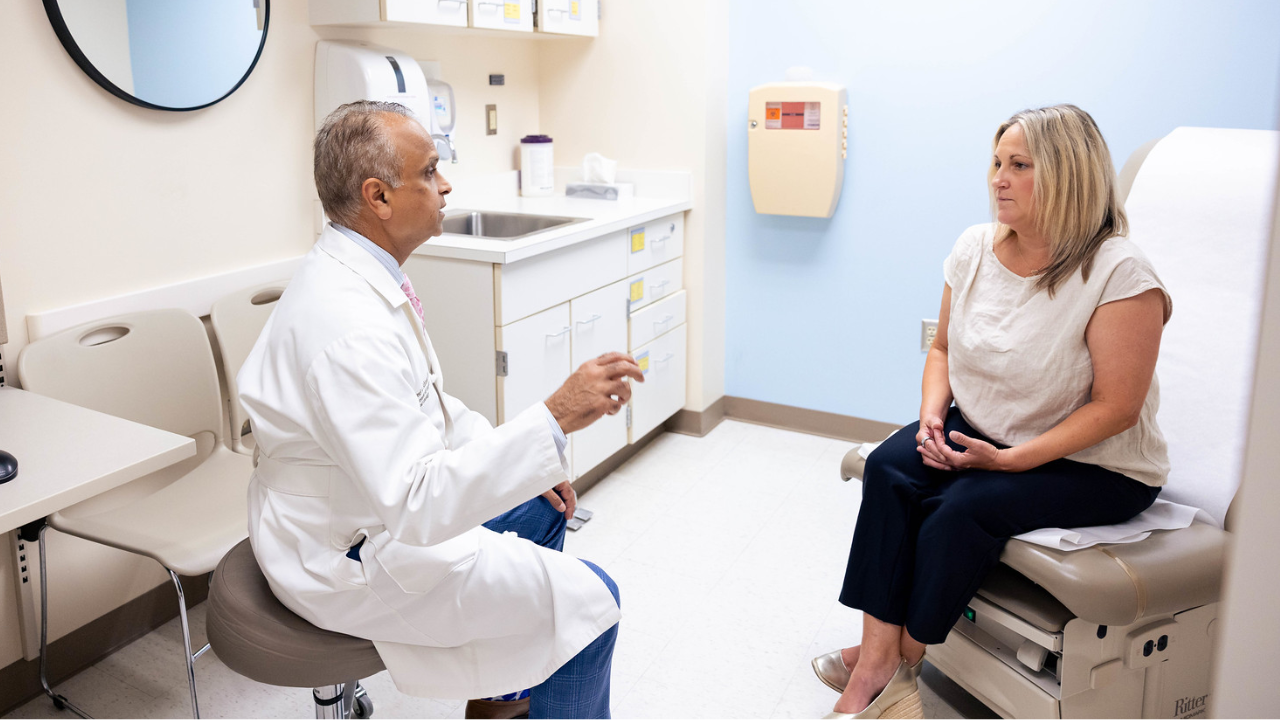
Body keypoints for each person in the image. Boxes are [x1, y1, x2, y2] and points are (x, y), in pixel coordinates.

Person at [238, 100, 643, 720]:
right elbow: (417, 505)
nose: (445, 183)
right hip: (345, 552)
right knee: (591, 607)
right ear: (378, 197)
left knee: (540, 509)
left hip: (362, 509)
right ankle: (524, 676)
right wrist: (555, 415)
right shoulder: (347, 325)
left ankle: (502, 697)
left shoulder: (365, 274)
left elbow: (430, 405)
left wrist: (532, 462)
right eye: (429, 171)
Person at [812, 104, 1172, 719]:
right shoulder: (975, 247)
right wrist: (932, 415)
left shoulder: (1118, 272)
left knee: (961, 508)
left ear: (1066, 176)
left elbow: (1117, 408)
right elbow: (944, 348)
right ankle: (877, 665)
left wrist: (1007, 463)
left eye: (1019, 165)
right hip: (985, 431)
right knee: (892, 468)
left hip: (1094, 461)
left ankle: (906, 659)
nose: (997, 178)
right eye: (997, 162)